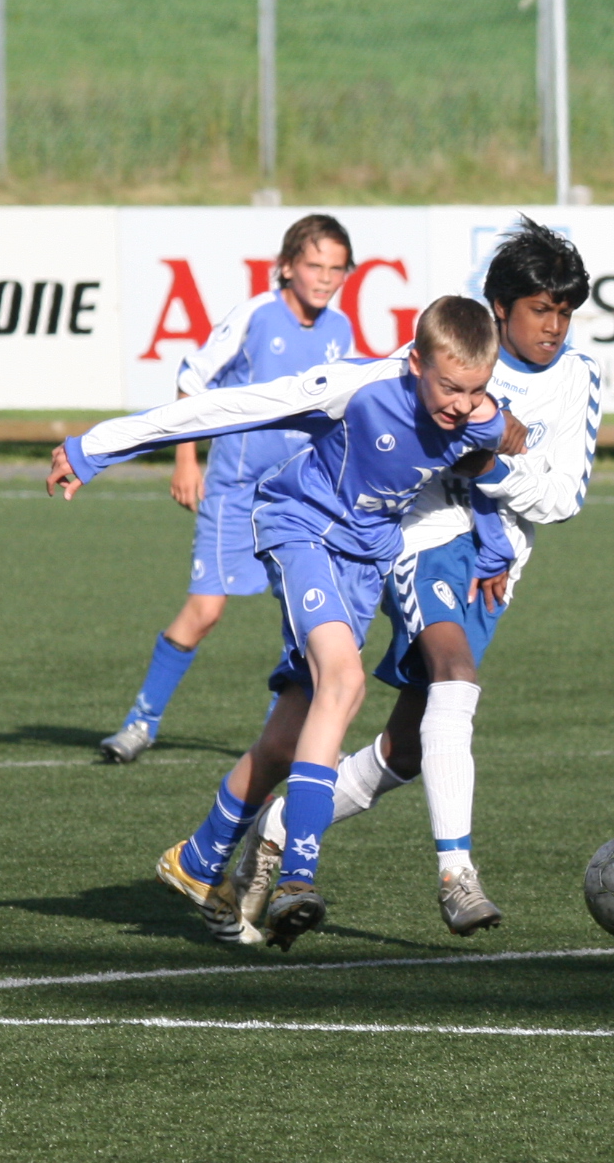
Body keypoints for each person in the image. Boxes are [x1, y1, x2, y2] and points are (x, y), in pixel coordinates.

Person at [47, 297, 517, 947]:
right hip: (302, 530)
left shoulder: (481, 416)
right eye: (450, 388)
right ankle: (298, 874)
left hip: (363, 566)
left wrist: (494, 549)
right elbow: (226, 408)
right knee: (344, 683)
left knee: (288, 736)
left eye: (476, 390)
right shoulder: (356, 387)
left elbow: (478, 465)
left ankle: (198, 859)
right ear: (415, 363)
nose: (462, 405)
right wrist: (94, 448)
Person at [234, 218, 603, 937]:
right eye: (540, 310)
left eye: (564, 312)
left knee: (406, 749)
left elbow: (562, 499)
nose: (554, 327)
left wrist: (490, 467)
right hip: (424, 540)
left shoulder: (580, 377)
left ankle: (280, 826)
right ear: (500, 308)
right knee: (456, 673)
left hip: (495, 569)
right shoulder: (441, 360)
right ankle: (457, 875)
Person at [97, 213, 357, 765]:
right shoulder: (256, 316)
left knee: (306, 619)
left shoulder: (340, 331)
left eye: (336, 269)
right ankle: (141, 722)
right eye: (314, 265)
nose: (325, 278)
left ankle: (284, 737)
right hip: (237, 491)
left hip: (301, 499)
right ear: (286, 267)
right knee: (205, 610)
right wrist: (185, 458)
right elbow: (193, 379)